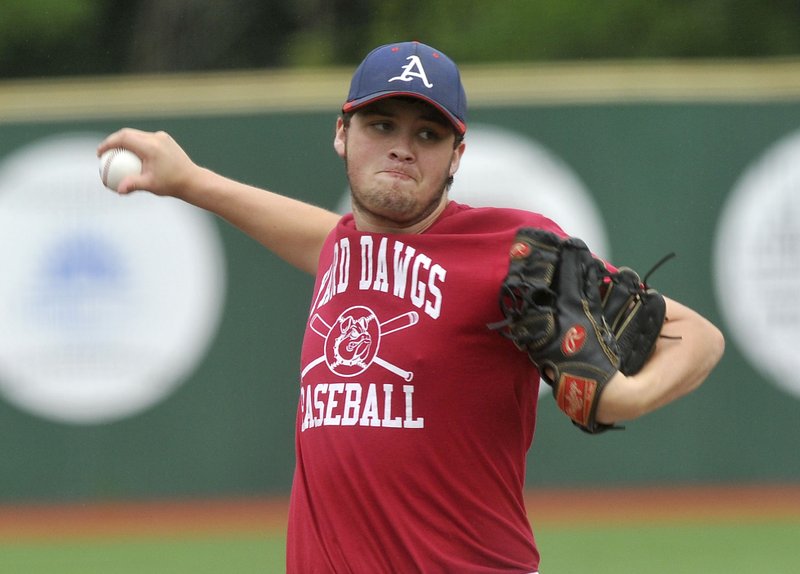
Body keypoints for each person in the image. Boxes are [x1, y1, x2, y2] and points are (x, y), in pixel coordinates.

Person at [98, 41, 724, 574]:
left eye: (428, 134)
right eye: (381, 126)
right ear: (342, 134)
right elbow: (321, 236)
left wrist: (625, 397)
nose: (403, 147)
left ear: (456, 155)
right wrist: (190, 182)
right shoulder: (346, 247)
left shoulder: (511, 249)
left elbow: (698, 336)